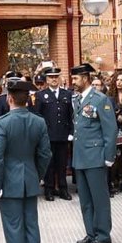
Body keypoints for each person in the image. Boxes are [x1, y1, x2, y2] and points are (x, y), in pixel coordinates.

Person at [0, 75, 51, 243]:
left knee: (14, 228)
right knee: (31, 228)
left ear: (9, 99)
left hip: (9, 182)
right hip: (30, 178)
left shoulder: (2, 123)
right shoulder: (39, 121)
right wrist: (38, 175)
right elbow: (45, 154)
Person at [70, 64, 116, 243]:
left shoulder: (100, 99)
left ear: (85, 78)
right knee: (85, 200)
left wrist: (109, 156)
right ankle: (91, 232)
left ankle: (103, 234)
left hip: (95, 156)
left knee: (99, 199)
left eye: (76, 79)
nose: (73, 82)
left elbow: (110, 130)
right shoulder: (78, 99)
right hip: (81, 155)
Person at [33, 66, 73, 201]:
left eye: (56, 77)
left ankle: (63, 189)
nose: (54, 79)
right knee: (49, 164)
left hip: (63, 135)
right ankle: (49, 189)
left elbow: (71, 115)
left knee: (62, 164)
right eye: (51, 77)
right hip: (48, 135)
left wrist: (71, 132)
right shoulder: (41, 95)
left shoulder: (67, 94)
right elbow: (38, 116)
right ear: (47, 80)